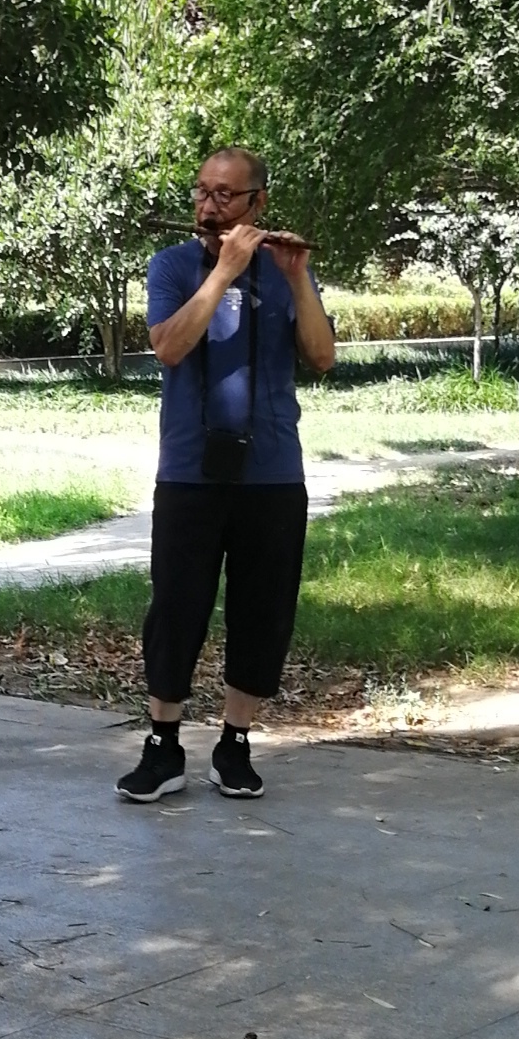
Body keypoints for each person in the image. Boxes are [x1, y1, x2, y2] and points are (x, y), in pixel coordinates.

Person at [117, 145, 335, 804]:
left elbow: (322, 355)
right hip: (190, 468)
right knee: (176, 605)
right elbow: (168, 345)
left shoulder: (283, 269)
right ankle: (163, 744)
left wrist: (297, 277)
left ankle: (235, 742)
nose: (208, 207)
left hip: (271, 470)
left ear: (256, 203)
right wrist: (223, 273)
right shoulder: (173, 265)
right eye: (201, 192)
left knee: (262, 607)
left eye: (224, 195)